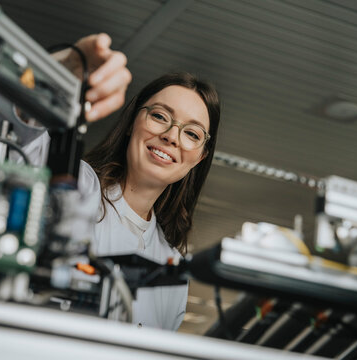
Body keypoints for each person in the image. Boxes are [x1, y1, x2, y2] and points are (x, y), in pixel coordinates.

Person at [27, 34, 221, 331]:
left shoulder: (172, 265)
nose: (171, 136)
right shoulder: (77, 184)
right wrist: (62, 71)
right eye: (160, 116)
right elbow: (25, 141)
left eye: (192, 133)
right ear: (133, 122)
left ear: (199, 157)